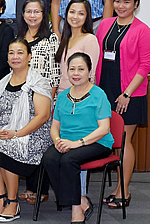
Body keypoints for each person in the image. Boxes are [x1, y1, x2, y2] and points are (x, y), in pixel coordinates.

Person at [0, 38, 52, 222]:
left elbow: (42, 116)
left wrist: (17, 134)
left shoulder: (39, 82)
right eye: (11, 52)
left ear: (29, 56)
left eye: (20, 52)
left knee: (7, 148)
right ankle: (1, 199)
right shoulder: (3, 83)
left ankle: (13, 203)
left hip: (33, 134)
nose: (15, 56)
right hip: (5, 132)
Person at [96, 0, 150, 209]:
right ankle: (118, 187)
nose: (121, 5)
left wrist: (127, 93)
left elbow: (145, 65)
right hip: (105, 90)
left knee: (125, 141)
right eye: (117, 1)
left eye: (126, 1)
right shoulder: (105, 24)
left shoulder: (142, 30)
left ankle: (124, 191)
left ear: (135, 4)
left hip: (129, 93)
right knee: (116, 142)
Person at [43, 52, 113, 223]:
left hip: (96, 142)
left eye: (81, 69)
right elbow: (55, 127)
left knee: (68, 160)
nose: (76, 73)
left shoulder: (99, 94)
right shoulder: (62, 95)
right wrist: (57, 141)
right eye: (72, 69)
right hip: (67, 141)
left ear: (89, 71)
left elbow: (104, 129)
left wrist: (77, 143)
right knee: (49, 158)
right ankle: (81, 200)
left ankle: (76, 209)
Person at [16, 0, 61, 205]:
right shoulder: (18, 38)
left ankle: (40, 189)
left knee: (40, 144)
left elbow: (54, 74)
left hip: (43, 100)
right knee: (25, 142)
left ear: (43, 15)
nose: (32, 15)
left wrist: (49, 101)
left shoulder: (52, 39)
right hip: (21, 99)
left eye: (37, 12)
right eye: (28, 11)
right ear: (23, 14)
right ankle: (28, 187)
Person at [55, 0, 100, 94]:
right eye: (72, 12)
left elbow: (90, 75)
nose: (75, 17)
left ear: (87, 17)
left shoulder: (89, 40)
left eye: (81, 13)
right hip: (61, 95)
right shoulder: (65, 39)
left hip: (80, 97)